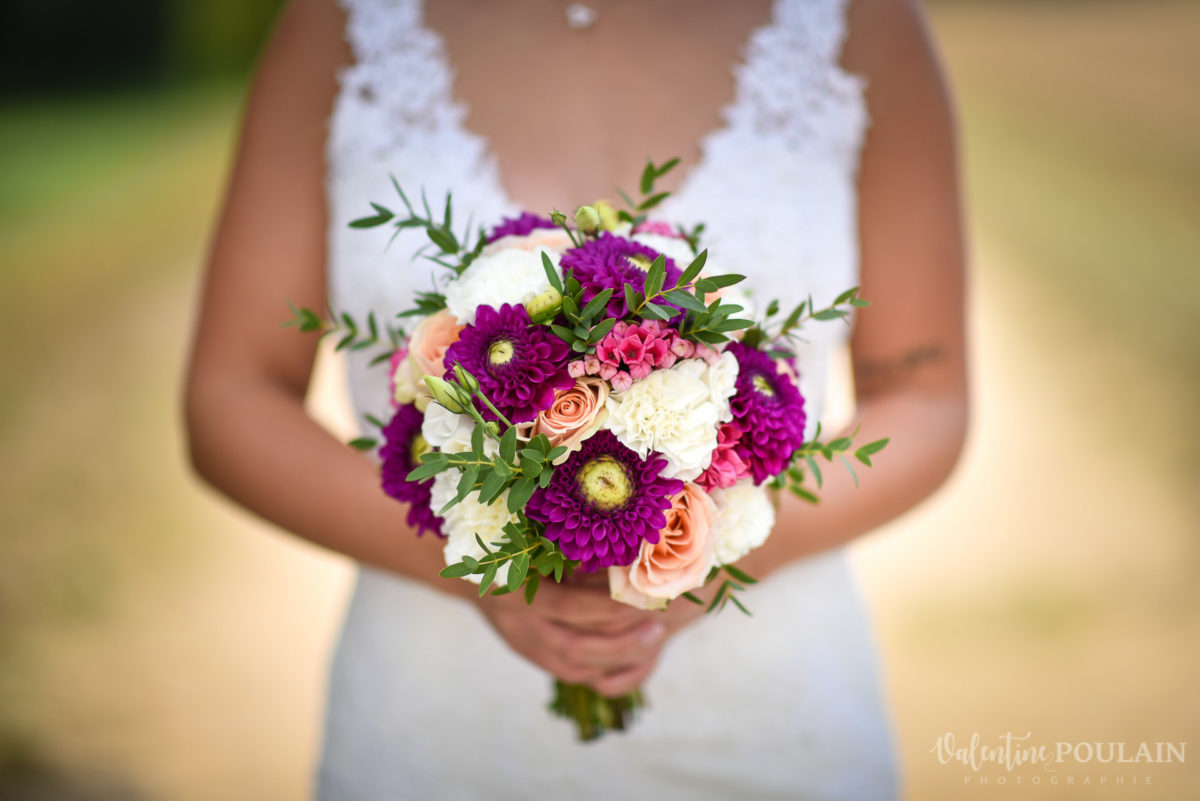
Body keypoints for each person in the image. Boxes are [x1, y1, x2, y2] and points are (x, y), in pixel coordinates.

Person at [184, 0, 968, 797]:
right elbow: (230, 392)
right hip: (435, 724)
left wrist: (710, 549)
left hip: (770, 723)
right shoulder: (342, 20)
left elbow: (927, 395)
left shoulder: (858, 19)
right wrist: (479, 568)